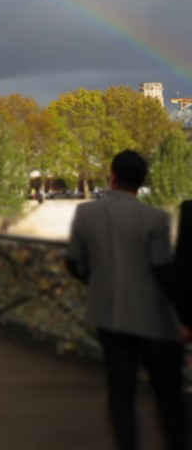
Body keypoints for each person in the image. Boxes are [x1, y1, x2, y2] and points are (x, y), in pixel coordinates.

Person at [65, 150, 184, 450]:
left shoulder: (85, 213)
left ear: (112, 177)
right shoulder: (155, 218)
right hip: (153, 316)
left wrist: (98, 283)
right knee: (168, 393)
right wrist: (185, 317)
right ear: (142, 182)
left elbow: (74, 263)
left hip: (108, 313)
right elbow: (163, 270)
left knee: (120, 391)